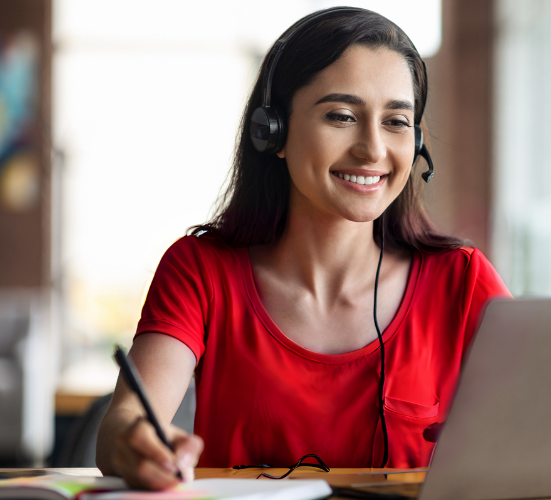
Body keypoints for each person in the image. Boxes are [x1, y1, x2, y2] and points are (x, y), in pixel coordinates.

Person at [96, 7, 510, 490]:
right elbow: (123, 423)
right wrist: (137, 443)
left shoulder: (462, 280)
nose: (373, 149)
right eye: (342, 116)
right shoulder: (201, 270)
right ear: (272, 131)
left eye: (396, 121)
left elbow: (546, 424)